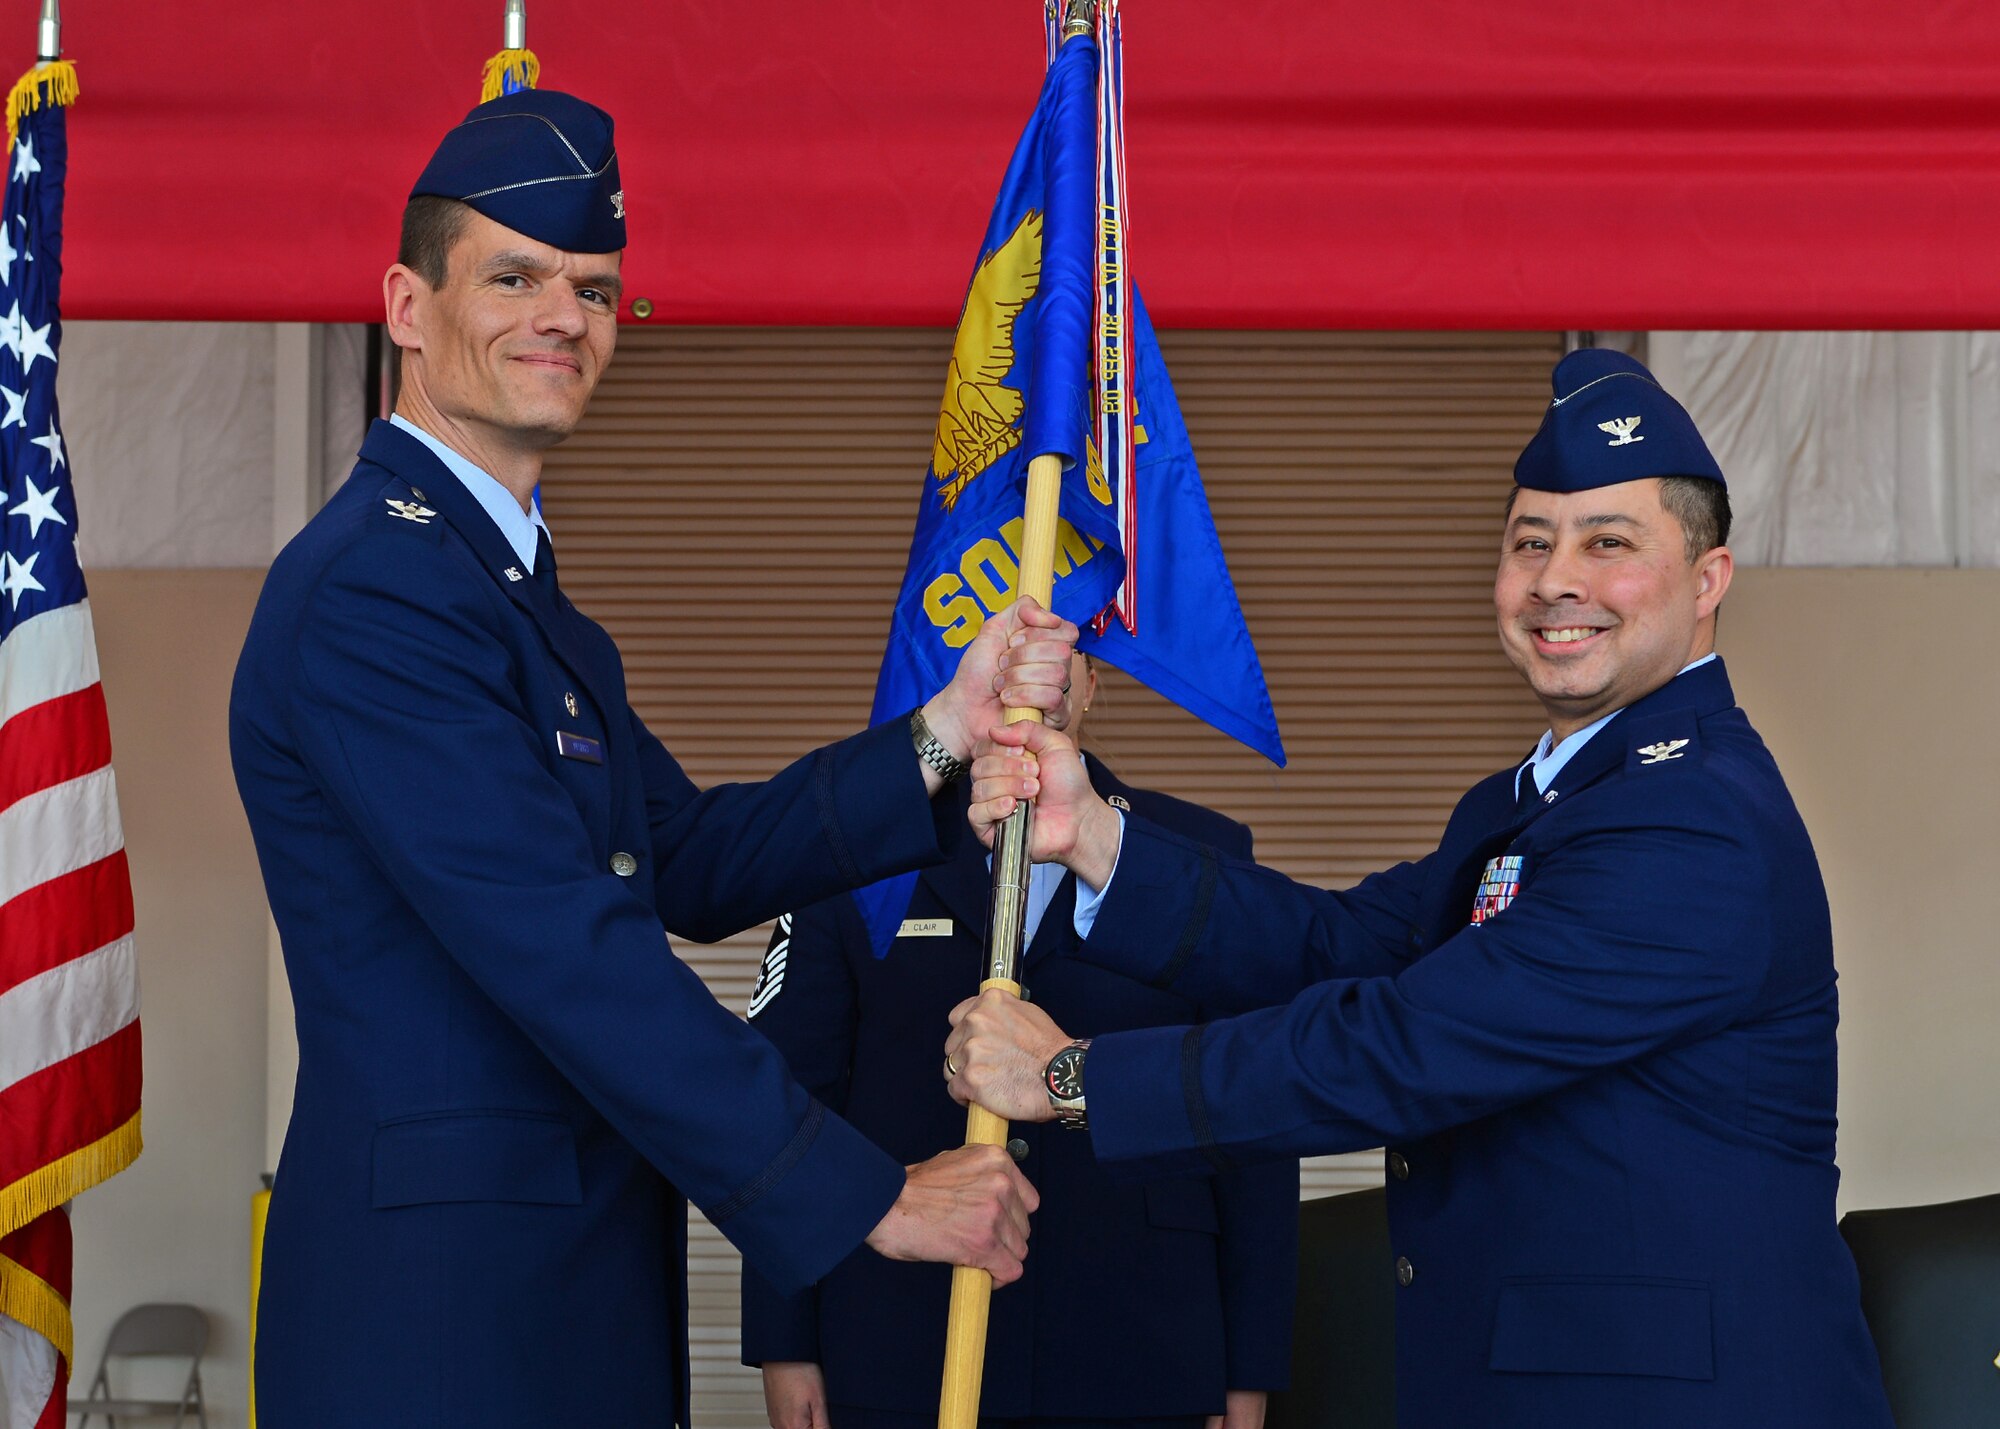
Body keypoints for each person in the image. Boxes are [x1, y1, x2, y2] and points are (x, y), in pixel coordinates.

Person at [229, 89, 1078, 1428]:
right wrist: (867, 1194)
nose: (563, 316)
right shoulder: (375, 593)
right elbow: (564, 947)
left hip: (556, 1295)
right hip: (443, 1326)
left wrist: (942, 732)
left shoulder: (509, 596)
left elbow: (682, 857)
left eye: (593, 289)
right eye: (514, 278)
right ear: (405, 307)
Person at [944, 349, 1896, 1428]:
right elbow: (1335, 945)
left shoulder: (1691, 817)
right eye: (1529, 541)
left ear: (1707, 580)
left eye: (1608, 543)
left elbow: (1405, 1046)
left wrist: (1073, 1077)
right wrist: (1093, 837)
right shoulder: (1529, 801)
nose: (1556, 579)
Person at [741, 653, 1297, 1429]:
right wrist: (784, 1342)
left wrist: (1248, 1369)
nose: (1033, 669)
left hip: (1145, 1347)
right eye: (1007, 644)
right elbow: (790, 1099)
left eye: (1061, 646)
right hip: (898, 1342)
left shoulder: (1199, 851)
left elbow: (1254, 1124)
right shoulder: (858, 853)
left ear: (1094, 681)